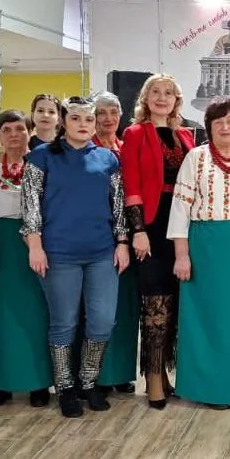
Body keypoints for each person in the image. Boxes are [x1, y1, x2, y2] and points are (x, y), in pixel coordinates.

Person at [23, 96, 130, 417]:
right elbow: (30, 204)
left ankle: (88, 381)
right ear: (63, 122)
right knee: (64, 322)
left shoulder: (108, 158)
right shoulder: (41, 157)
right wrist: (35, 246)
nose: (84, 124)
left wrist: (122, 242)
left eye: (89, 119)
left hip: (101, 253)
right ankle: (65, 388)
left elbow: (118, 204)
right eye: (76, 118)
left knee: (103, 320)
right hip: (58, 254)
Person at [168, 97, 230, 407]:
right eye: (218, 122)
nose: (225, 127)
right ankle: (208, 389)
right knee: (207, 318)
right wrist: (182, 255)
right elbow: (180, 208)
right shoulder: (195, 158)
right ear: (209, 127)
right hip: (205, 247)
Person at [121, 74, 195, 408]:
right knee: (155, 302)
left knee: (176, 303)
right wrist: (138, 230)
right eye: (156, 92)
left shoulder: (186, 136)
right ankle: (152, 376)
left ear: (177, 100)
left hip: (183, 225)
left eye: (169, 93)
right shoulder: (135, 133)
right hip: (151, 225)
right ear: (146, 98)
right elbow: (131, 184)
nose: (162, 97)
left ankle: (166, 372)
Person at [0, 110, 52, 409]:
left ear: (30, 132)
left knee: (36, 313)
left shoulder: (42, 163)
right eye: (7, 130)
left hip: (34, 244)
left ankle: (38, 382)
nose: (14, 134)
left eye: (20, 128)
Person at [92, 92, 139, 394]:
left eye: (113, 112)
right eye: (101, 113)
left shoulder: (126, 147)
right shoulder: (87, 149)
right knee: (98, 308)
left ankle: (120, 372)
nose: (108, 119)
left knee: (125, 306)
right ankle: (96, 375)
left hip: (130, 236)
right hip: (99, 236)